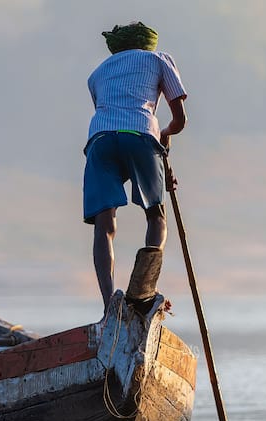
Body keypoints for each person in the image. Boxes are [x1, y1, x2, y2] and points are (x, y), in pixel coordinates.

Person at [82, 21, 187, 310]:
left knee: (104, 226)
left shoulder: (98, 73)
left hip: (100, 140)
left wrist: (158, 159)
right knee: (156, 215)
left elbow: (112, 122)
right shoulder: (158, 59)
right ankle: (142, 290)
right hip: (140, 134)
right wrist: (164, 135)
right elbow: (179, 121)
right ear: (146, 43)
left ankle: (109, 305)